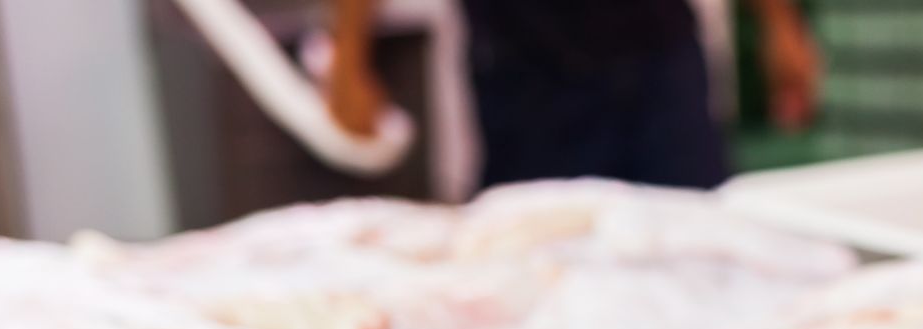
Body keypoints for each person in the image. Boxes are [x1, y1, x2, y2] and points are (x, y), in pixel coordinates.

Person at [326, 0, 819, 190]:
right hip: (527, 72)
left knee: (699, 250)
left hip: (658, 59)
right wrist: (348, 59)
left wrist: (781, 26)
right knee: (540, 270)